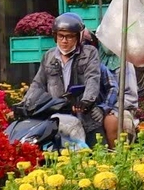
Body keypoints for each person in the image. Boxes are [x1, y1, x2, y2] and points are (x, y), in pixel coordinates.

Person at [23, 13, 105, 146]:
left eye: (70, 36)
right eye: (61, 36)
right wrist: (25, 103)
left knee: (99, 153)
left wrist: (87, 101)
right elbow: (38, 84)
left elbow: (92, 78)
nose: (64, 40)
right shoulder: (49, 56)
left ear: (78, 37)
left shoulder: (90, 53)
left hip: (86, 115)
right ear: (55, 36)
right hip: (57, 117)